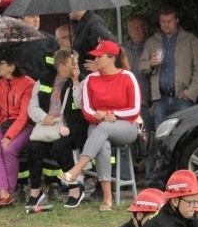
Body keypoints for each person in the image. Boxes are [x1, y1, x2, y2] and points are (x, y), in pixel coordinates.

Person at [58, 40, 140, 211]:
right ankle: (107, 198)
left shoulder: (127, 77)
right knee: (103, 143)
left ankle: (76, 170)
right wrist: (100, 116)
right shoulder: (90, 80)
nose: (95, 60)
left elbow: (135, 109)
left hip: (125, 125)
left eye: (99, 57)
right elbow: (87, 109)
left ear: (111, 58)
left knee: (103, 129)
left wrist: (112, 115)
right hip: (97, 125)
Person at [27, 49, 89, 207]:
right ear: (61, 66)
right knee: (33, 146)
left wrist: (76, 82)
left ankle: (74, 189)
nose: (76, 67)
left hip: (73, 127)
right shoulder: (43, 81)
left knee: (60, 146)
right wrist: (44, 117)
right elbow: (32, 107)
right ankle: (35, 191)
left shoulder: (81, 80)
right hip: (48, 126)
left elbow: (80, 104)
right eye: (72, 64)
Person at [139, 6, 198, 132]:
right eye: (163, 22)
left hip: (182, 98)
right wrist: (150, 64)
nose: (166, 25)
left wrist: (191, 93)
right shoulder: (152, 41)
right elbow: (141, 66)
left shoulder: (190, 40)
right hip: (160, 100)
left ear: (177, 21)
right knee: (161, 137)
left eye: (169, 21)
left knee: (183, 135)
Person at [0, 49, 35, 207]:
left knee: (9, 149)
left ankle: (10, 192)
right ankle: (3, 193)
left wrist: (9, 136)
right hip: (4, 126)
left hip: (25, 126)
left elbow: (24, 116)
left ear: (12, 67)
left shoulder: (28, 83)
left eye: (1, 63)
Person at [121, 15, 156, 186]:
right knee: (124, 143)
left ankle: (149, 179)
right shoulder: (122, 49)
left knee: (147, 143)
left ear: (145, 29)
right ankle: (126, 180)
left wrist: (153, 101)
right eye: (132, 27)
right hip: (125, 105)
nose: (136, 30)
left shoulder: (152, 47)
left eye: (139, 27)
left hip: (144, 104)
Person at [0, 15, 59, 81]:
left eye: (37, 16)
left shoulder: (50, 40)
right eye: (31, 16)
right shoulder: (10, 41)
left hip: (45, 87)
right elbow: (1, 68)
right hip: (20, 87)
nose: (36, 20)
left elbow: (59, 64)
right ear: (20, 20)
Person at [69, 10, 116, 74]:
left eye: (71, 7)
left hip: (93, 75)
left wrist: (99, 66)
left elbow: (112, 46)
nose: (68, 10)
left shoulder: (94, 25)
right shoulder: (81, 24)